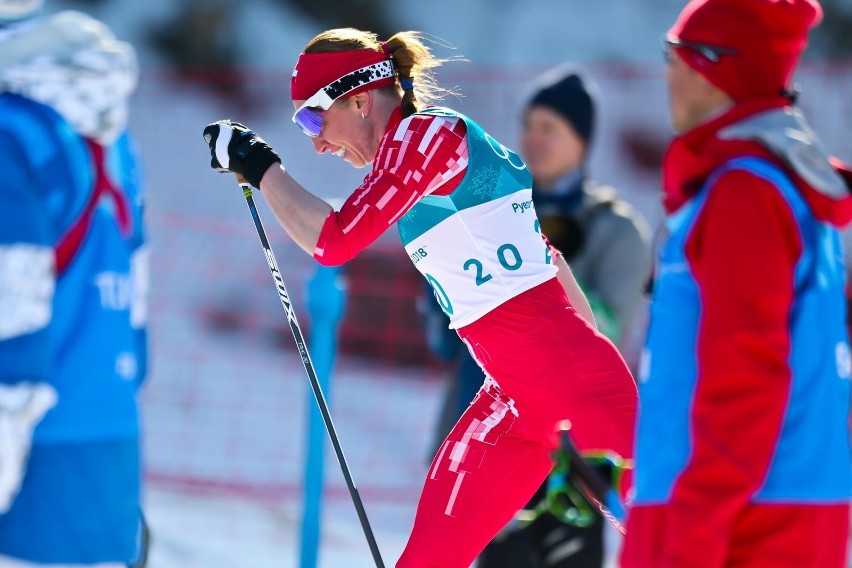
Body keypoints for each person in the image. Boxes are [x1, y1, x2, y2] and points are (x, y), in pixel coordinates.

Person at [202, 27, 638, 568]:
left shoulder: (424, 138)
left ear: (359, 99)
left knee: (678, 539)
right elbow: (546, 258)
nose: (315, 141)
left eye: (312, 118)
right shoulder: (415, 159)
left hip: (566, 384)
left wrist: (259, 165)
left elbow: (334, 241)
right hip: (513, 398)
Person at [621, 0, 852, 566]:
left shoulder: (744, 194)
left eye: (674, 54)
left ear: (715, 67)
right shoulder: (778, 188)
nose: (667, 72)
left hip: (736, 522)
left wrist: (693, 531)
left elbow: (748, 377)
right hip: (763, 507)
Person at [420, 67, 651, 568]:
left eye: (552, 127)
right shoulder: (478, 209)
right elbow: (441, 338)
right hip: (487, 421)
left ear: (582, 141)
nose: (535, 137)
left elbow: (607, 328)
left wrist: (539, 274)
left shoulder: (614, 228)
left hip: (573, 450)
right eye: (529, 125)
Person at [0, 2, 149, 566]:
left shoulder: (8, 134)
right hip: (108, 433)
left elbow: (9, 312)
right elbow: (136, 302)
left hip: (26, 454)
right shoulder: (110, 133)